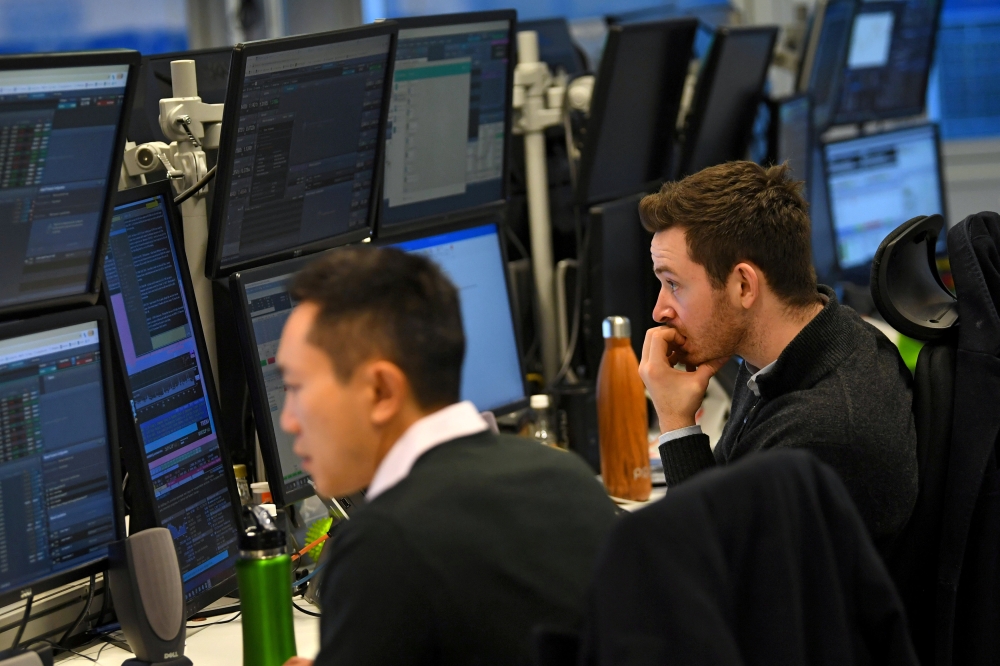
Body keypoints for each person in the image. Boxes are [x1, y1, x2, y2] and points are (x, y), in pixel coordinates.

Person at [276, 246, 619, 666]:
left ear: (381, 391)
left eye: (296, 387)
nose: (289, 420)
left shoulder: (385, 544)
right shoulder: (566, 476)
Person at [637, 160, 917, 549]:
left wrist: (675, 424)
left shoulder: (825, 431)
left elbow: (710, 578)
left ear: (743, 286)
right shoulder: (815, 342)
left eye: (673, 284)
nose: (660, 311)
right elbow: (727, 510)